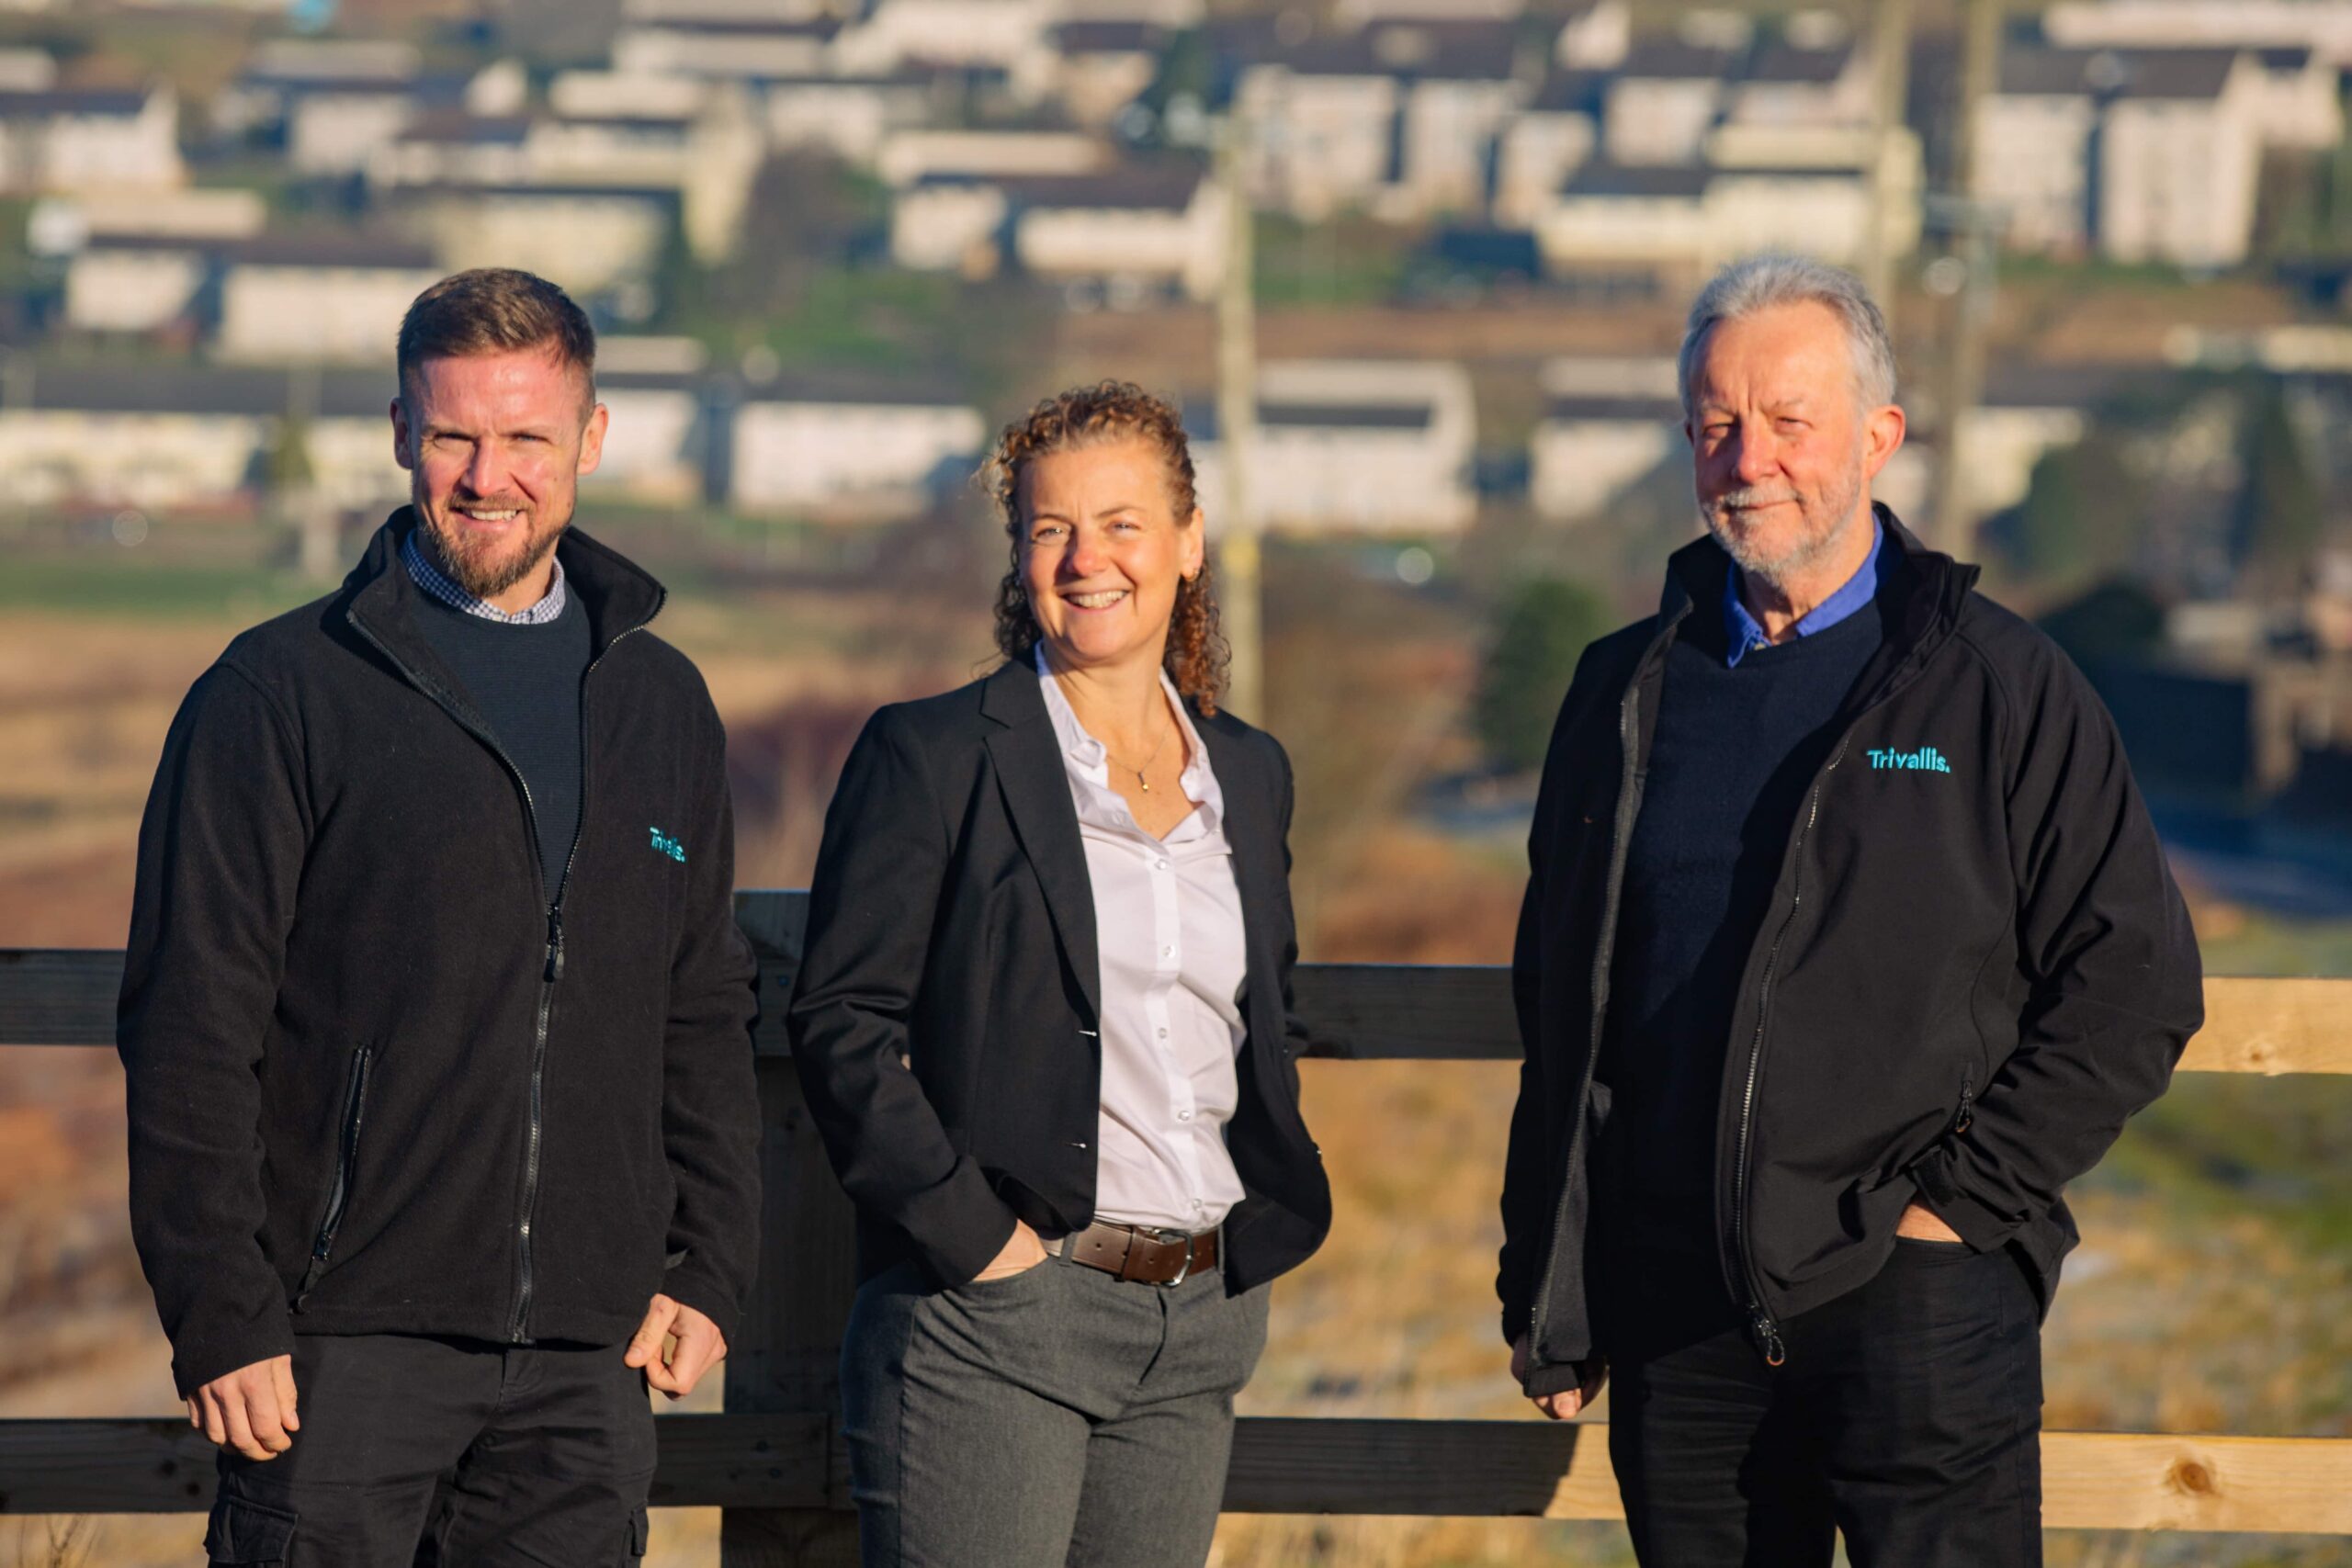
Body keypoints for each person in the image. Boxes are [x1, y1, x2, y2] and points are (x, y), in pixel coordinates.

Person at [1496, 255, 2204, 1567]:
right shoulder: (1621, 694)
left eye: (1787, 419)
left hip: (1917, 1308)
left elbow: (2137, 983)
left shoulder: (1996, 687)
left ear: (1879, 438)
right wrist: (1555, 1283)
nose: (1746, 458)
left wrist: (1945, 1223)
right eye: (1715, 423)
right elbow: (1568, 1003)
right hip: (1681, 1320)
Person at [118, 267, 763, 1566]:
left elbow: (698, 1009)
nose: (488, 476)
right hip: (337, 1356)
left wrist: (710, 1263)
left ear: (589, 439)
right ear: (402, 433)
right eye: (455, 435)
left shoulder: (660, 702)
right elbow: (193, 1022)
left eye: (526, 437)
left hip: (586, 1371)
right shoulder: (280, 691)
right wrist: (221, 1308)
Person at [787, 382, 1330, 1568]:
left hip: (1199, 1321)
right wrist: (982, 1247)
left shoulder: (1251, 774)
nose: (1087, 560)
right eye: (1050, 530)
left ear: (1189, 542)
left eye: (1122, 524)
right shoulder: (931, 758)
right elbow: (840, 1024)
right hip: (995, 1316)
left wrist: (1247, 1250)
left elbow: (1252, 1017)